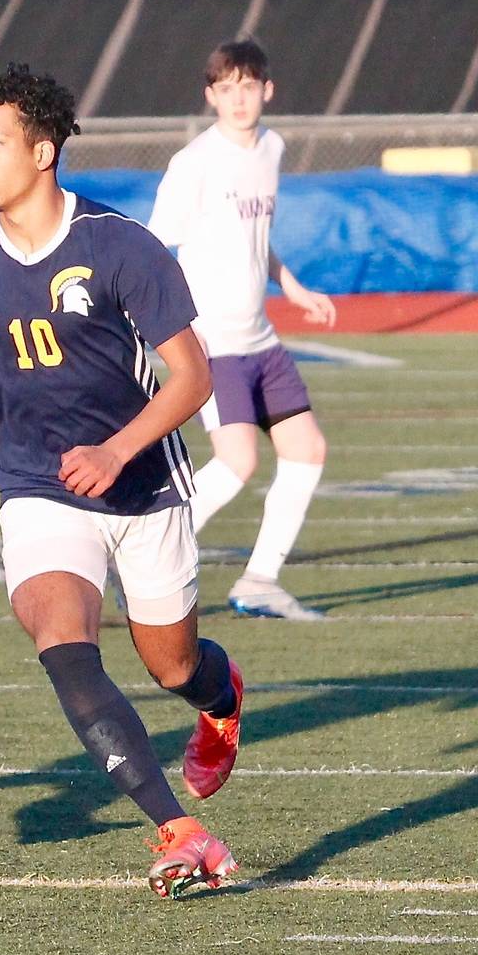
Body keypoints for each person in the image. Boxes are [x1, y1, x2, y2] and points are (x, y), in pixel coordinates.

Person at [0, 65, 245, 900]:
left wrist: (116, 449)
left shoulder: (119, 246)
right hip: (37, 486)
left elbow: (191, 378)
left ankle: (221, 702)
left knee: (173, 666)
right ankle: (178, 830)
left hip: (144, 485)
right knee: (63, 646)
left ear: (43, 150)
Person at [147, 38, 335, 623]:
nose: (238, 99)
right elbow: (156, 248)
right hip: (214, 340)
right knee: (237, 462)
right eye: (226, 88)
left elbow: (256, 237)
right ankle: (144, 556)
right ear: (210, 96)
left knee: (307, 450)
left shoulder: (271, 148)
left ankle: (259, 581)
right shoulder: (195, 162)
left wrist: (292, 283)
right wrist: (165, 328)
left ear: (266, 91)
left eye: (247, 87)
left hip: (262, 338)